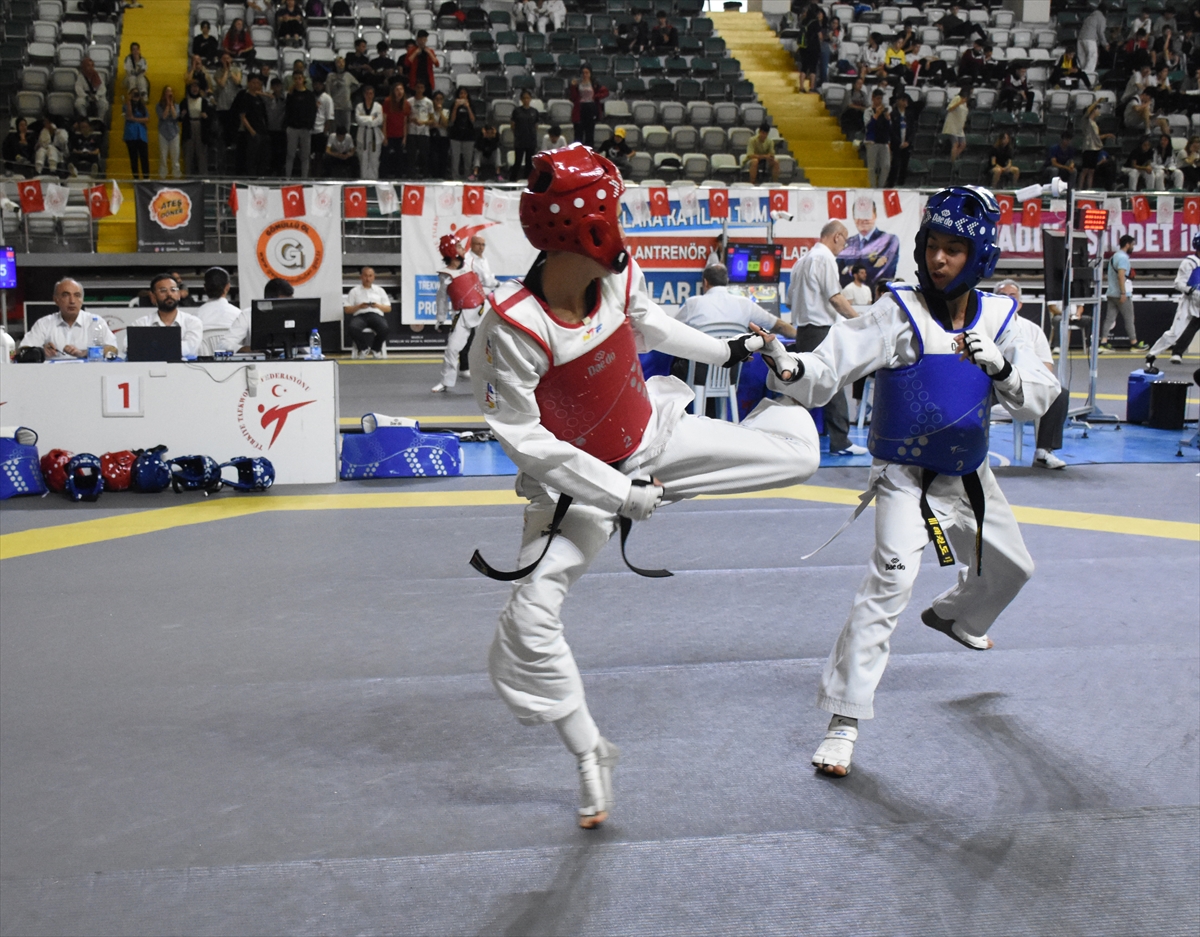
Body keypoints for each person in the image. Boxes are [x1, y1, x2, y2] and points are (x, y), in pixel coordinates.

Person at [467, 143, 820, 829]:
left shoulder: (617, 275)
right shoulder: (511, 326)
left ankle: (786, 405)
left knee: (796, 457)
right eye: (614, 213)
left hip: (656, 438)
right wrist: (619, 495)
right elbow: (528, 441)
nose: (623, 230)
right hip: (578, 488)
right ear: (587, 227)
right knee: (529, 620)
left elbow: (652, 323)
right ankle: (590, 751)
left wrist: (727, 351)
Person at [759, 186, 1060, 777]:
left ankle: (955, 616)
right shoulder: (896, 311)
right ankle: (844, 720)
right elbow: (833, 363)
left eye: (954, 249)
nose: (940, 259)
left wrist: (1002, 369)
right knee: (890, 582)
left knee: (1015, 569)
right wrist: (794, 366)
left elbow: (1038, 397)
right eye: (933, 247)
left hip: (969, 474)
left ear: (978, 257)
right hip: (905, 476)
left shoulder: (1005, 320)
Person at [787, 220, 868, 457]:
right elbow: (835, 298)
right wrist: (859, 321)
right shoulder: (824, 259)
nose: (844, 247)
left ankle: (791, 434)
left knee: (804, 384)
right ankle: (840, 441)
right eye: (845, 240)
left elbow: (791, 300)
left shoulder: (801, 261)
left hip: (805, 331)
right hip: (821, 330)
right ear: (837, 236)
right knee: (834, 381)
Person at [994, 280, 1070, 470]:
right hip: (991, 385)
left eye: (1013, 297)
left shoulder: (1032, 330)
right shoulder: (984, 326)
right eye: (1003, 297)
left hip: (1024, 384)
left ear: (1020, 304)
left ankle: (1044, 452)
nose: (1008, 301)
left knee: (1059, 393)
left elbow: (1046, 366)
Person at [678, 263, 796, 338]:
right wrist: (802, 339)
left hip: (696, 373)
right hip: (732, 373)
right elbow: (780, 326)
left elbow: (667, 329)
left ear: (705, 282)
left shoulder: (692, 304)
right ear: (727, 281)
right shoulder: (745, 304)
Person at [431, 235, 486, 392]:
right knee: (452, 349)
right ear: (451, 251)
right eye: (459, 247)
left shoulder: (471, 263)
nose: (463, 249)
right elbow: (441, 298)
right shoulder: (446, 275)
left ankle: (500, 381)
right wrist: (440, 318)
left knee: (493, 345)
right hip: (462, 315)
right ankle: (446, 382)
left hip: (483, 309)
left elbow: (486, 280)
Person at [19, 278, 116, 359]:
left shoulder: (95, 322)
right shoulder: (44, 324)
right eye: (66, 295)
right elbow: (23, 350)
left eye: (77, 295)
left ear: (82, 300)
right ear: (56, 300)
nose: (72, 301)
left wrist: (85, 353)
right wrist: (40, 351)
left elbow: (112, 350)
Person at [1146, 232, 1200, 369]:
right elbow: (1178, 284)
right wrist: (1192, 290)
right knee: (1175, 333)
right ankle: (1152, 354)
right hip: (1189, 301)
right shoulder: (1190, 263)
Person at [132, 273, 205, 358]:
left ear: (178, 295)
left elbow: (190, 349)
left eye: (173, 290)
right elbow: (129, 348)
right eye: (163, 290)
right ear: (153, 297)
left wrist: (153, 347)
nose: (169, 294)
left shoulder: (192, 322)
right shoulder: (140, 324)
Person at [838, 195, 900, 291]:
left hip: (878, 298)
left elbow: (884, 275)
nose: (863, 219)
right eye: (859, 215)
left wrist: (850, 271)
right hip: (851, 300)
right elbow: (840, 278)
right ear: (854, 217)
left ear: (875, 215)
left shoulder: (889, 240)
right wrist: (874, 267)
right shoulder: (846, 243)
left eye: (867, 214)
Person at [343, 266, 392, 357]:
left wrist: (377, 305)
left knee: (385, 329)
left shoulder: (380, 290)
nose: (368, 278)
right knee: (352, 328)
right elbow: (347, 310)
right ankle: (363, 348)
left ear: (374, 277)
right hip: (360, 315)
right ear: (361, 277)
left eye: (370, 276)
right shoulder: (354, 291)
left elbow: (388, 308)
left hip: (376, 314)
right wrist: (359, 306)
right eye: (365, 276)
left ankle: (376, 349)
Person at [1102, 234, 1138, 351]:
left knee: (1109, 318)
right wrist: (1123, 293)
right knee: (1129, 318)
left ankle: (1103, 342)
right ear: (1127, 244)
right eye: (1132, 245)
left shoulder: (1114, 257)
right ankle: (1134, 343)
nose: (1133, 247)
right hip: (1122, 294)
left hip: (1111, 293)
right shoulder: (1123, 258)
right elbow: (1121, 276)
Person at [283, 72, 317, 178]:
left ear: (303, 80)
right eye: (296, 79)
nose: (298, 80)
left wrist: (310, 125)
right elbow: (287, 111)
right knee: (290, 154)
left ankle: (304, 178)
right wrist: (288, 126)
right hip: (292, 128)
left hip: (305, 128)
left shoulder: (310, 95)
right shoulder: (291, 95)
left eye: (300, 78)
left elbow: (313, 111)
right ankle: (288, 178)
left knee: (305, 156)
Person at [235, 75, 270, 175]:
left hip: (262, 130)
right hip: (252, 132)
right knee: (252, 157)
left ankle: (260, 175)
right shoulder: (246, 97)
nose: (256, 85)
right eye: (254, 83)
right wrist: (252, 131)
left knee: (262, 156)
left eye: (258, 83)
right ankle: (251, 176)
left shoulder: (259, 98)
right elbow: (243, 116)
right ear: (249, 83)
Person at [1077, 101, 1115, 190]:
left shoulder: (1094, 123)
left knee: (1091, 171)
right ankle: (1079, 189)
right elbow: (1088, 112)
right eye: (1097, 109)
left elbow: (1096, 137)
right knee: (1085, 170)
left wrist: (1107, 135)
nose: (1098, 111)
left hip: (1095, 148)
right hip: (1088, 148)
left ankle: (1089, 189)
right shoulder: (1086, 121)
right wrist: (1096, 102)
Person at [569, 66, 607, 148]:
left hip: (591, 107)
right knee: (578, 132)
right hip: (580, 108)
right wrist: (572, 87)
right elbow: (573, 97)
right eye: (583, 73)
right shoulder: (577, 83)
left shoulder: (594, 83)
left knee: (589, 133)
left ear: (590, 74)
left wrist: (596, 96)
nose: (585, 75)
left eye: (587, 73)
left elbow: (605, 92)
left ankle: (589, 152)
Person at [181, 81, 212, 175]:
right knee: (188, 154)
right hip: (189, 127)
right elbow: (180, 118)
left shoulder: (204, 101)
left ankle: (204, 176)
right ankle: (188, 176)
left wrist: (205, 116)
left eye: (196, 87)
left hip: (200, 127)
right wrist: (182, 115)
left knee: (201, 153)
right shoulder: (184, 101)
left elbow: (210, 118)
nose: (194, 89)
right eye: (192, 87)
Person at [355, 84, 385, 179]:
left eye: (371, 93)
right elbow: (358, 120)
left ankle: (374, 181)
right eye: (367, 93)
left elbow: (379, 120)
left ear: (373, 95)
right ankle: (363, 180)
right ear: (364, 94)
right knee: (363, 159)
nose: (369, 95)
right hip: (362, 134)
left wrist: (366, 120)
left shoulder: (378, 106)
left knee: (374, 160)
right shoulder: (359, 106)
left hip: (375, 135)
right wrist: (371, 118)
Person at [510, 89, 539, 181]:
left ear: (530, 99)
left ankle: (528, 182)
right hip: (520, 140)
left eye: (528, 98)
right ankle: (512, 181)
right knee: (517, 162)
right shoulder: (517, 111)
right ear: (521, 99)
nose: (526, 100)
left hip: (531, 141)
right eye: (524, 98)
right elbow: (513, 125)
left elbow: (536, 126)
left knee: (529, 164)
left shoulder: (534, 111)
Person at [864, 90, 891, 188]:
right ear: (873, 98)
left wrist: (887, 118)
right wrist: (876, 115)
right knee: (872, 167)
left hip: (883, 141)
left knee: (886, 166)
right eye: (877, 98)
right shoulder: (868, 111)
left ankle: (881, 186)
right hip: (872, 141)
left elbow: (889, 128)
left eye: (881, 99)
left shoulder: (885, 111)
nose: (879, 101)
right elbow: (868, 127)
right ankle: (873, 187)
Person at [327, 57, 360, 135]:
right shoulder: (330, 76)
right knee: (334, 131)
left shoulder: (348, 75)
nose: (341, 64)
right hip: (334, 107)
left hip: (346, 106)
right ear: (335, 64)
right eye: (338, 62)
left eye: (342, 62)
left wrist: (348, 91)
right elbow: (328, 90)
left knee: (346, 130)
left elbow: (357, 85)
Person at [448, 87, 475, 179]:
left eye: (464, 93)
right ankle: (455, 177)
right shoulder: (453, 105)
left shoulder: (471, 105)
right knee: (455, 159)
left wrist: (468, 107)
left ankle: (468, 178)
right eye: (461, 93)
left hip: (468, 136)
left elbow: (473, 120)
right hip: (455, 135)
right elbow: (452, 120)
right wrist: (455, 107)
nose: (463, 95)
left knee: (468, 160)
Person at [885, 94, 912, 186]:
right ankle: (891, 183)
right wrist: (898, 142)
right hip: (896, 144)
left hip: (906, 143)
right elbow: (891, 130)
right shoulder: (893, 114)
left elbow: (912, 130)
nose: (905, 102)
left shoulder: (909, 114)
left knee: (904, 165)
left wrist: (908, 141)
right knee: (895, 165)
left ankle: (901, 184)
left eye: (906, 100)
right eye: (903, 100)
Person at [122, 90, 151, 178]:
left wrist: (134, 119)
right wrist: (129, 101)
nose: (136, 95)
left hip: (141, 134)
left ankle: (146, 178)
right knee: (133, 158)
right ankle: (136, 178)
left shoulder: (142, 107)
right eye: (134, 94)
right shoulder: (126, 106)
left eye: (137, 93)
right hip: (131, 134)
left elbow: (147, 119)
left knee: (144, 157)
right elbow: (129, 115)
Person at [1078, 1, 1108, 78]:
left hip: (1080, 40)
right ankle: (1087, 79)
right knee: (1092, 60)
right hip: (1090, 40)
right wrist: (1105, 44)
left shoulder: (1089, 17)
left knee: (1083, 63)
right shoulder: (1101, 17)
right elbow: (1100, 32)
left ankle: (1081, 80)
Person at [942, 84, 969, 163]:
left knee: (963, 144)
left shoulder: (965, 102)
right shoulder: (957, 98)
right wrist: (959, 102)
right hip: (952, 125)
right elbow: (950, 108)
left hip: (959, 126)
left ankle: (953, 158)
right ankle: (952, 162)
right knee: (955, 144)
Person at [430, 89, 450, 179]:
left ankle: (442, 176)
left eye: (440, 99)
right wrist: (438, 125)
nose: (438, 101)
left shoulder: (446, 111)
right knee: (433, 158)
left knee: (443, 158)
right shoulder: (430, 111)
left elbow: (446, 124)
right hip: (433, 137)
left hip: (443, 137)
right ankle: (434, 176)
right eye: (436, 99)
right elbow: (429, 124)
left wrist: (440, 111)